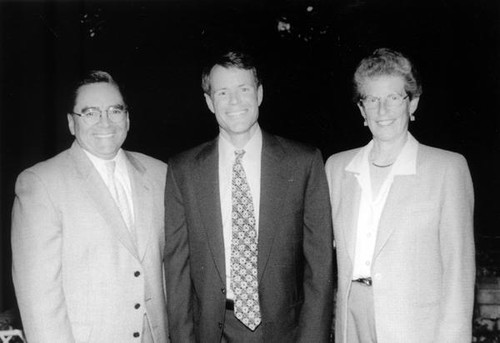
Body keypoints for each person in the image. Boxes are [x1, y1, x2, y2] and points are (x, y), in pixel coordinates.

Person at [164, 51, 334, 343]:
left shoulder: (303, 162)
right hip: (213, 331)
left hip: (286, 331)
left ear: (259, 93)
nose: (234, 101)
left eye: (243, 89)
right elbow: (177, 272)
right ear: (209, 101)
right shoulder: (183, 170)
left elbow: (319, 268)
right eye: (222, 92)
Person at [325, 48, 475, 343]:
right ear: (361, 109)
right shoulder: (337, 167)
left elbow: (459, 271)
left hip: (415, 325)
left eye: (394, 98)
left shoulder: (447, 168)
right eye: (372, 99)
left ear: (413, 103)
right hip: (351, 321)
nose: (383, 111)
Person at [11, 71, 169, 343]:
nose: (105, 121)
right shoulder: (41, 184)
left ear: (128, 118)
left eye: (115, 110)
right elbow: (39, 301)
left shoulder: (160, 174)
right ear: (72, 123)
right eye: (91, 113)